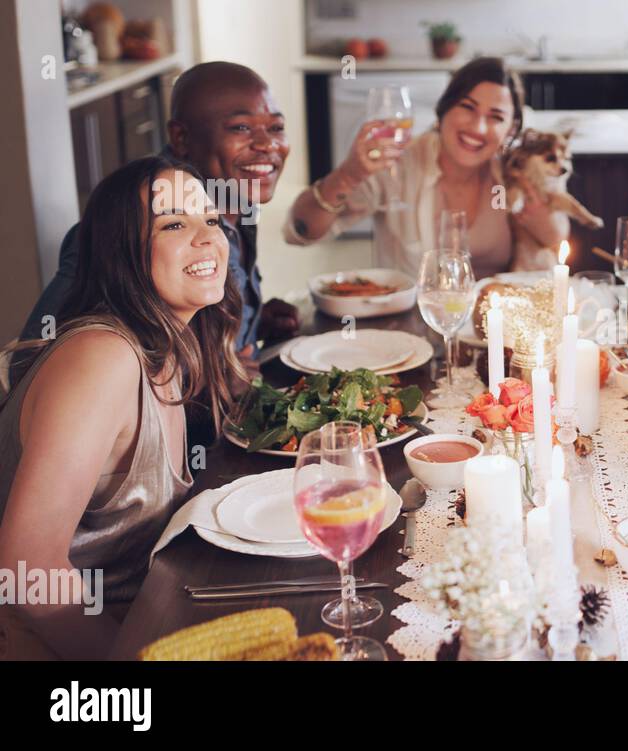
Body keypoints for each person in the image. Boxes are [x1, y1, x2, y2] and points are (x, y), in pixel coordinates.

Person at [0, 156, 245, 659]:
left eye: (211, 220)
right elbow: (25, 569)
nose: (207, 238)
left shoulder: (170, 346)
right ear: (122, 251)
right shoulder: (103, 357)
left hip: (145, 616)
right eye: (175, 223)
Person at [21, 61, 300, 364]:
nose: (267, 144)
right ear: (181, 138)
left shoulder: (235, 194)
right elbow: (35, 360)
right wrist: (211, 382)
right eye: (241, 127)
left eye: (276, 127)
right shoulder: (125, 219)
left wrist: (250, 320)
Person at [285, 56, 569, 279]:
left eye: (495, 117)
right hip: (409, 332)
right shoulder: (399, 164)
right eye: (467, 107)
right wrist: (348, 174)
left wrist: (544, 220)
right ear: (443, 111)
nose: (477, 127)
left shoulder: (513, 173)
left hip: (493, 334)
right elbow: (300, 232)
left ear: (510, 131)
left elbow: (556, 239)